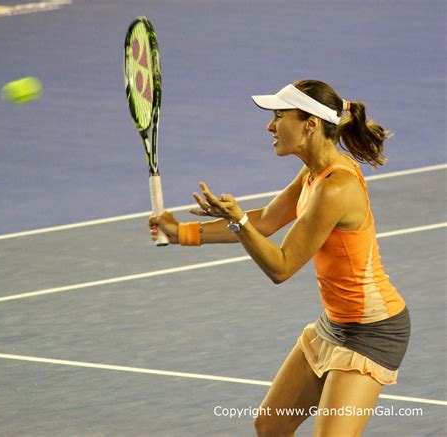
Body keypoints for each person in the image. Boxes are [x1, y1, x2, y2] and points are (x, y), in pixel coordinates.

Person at [149, 80, 410, 436]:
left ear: (310, 124)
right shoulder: (314, 173)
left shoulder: (336, 188)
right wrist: (183, 233)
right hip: (336, 325)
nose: (270, 127)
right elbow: (267, 221)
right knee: (271, 424)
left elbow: (282, 266)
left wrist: (238, 221)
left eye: (278, 116)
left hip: (373, 332)